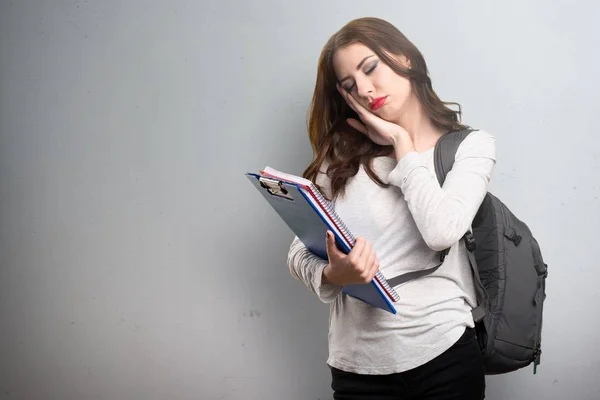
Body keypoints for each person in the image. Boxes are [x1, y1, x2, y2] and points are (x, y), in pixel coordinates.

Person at [286, 17, 496, 400]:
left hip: (445, 355)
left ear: (405, 59)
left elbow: (441, 231)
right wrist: (335, 273)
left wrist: (401, 142)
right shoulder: (341, 156)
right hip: (358, 367)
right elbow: (299, 251)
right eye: (350, 86)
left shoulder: (470, 147)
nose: (365, 89)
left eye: (370, 68)